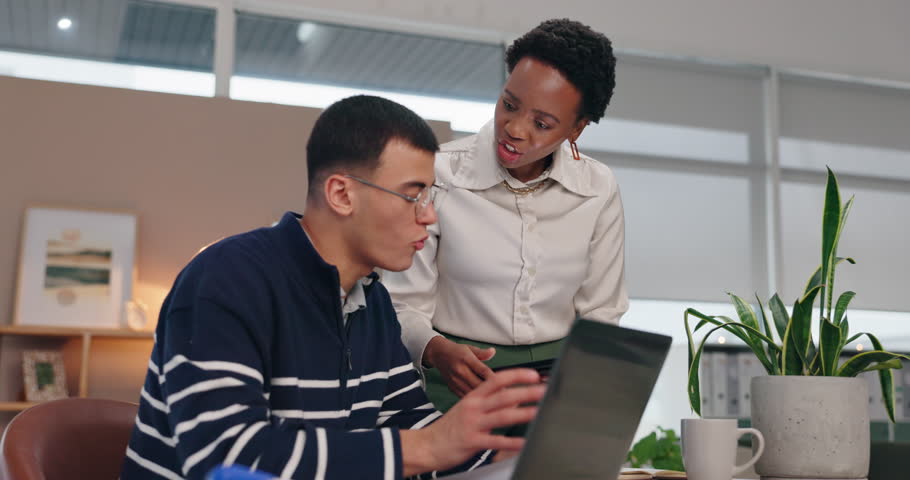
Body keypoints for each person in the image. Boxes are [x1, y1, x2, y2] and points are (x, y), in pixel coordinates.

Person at [120, 95, 545, 480]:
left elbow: (412, 424)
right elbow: (225, 457)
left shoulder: (371, 299)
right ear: (342, 194)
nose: (430, 217)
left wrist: (514, 464)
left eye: (431, 197)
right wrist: (427, 448)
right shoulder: (226, 278)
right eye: (414, 196)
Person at [383, 18, 629, 413]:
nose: (513, 129)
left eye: (542, 123)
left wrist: (585, 385)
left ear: (576, 129)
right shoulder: (438, 175)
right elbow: (400, 302)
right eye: (509, 104)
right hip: (457, 381)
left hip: (557, 389)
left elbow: (601, 311)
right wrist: (435, 349)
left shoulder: (598, 188)